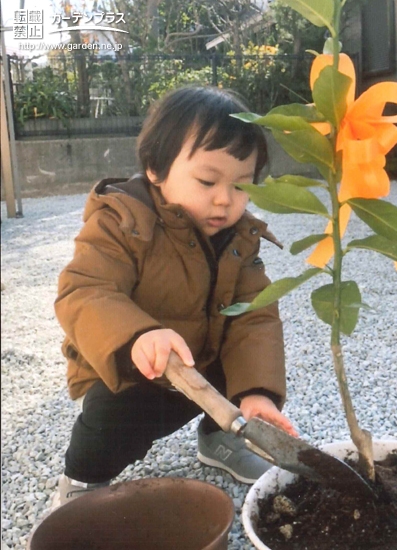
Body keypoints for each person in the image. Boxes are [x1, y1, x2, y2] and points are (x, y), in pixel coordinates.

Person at [52, 86, 297, 507]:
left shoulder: (240, 238)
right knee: (115, 421)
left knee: (238, 366)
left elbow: (255, 318)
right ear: (156, 168)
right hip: (133, 367)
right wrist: (138, 337)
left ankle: (220, 438)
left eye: (243, 186)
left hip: (200, 359)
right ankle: (81, 483)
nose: (225, 199)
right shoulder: (123, 221)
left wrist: (257, 393)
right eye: (207, 180)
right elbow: (86, 288)